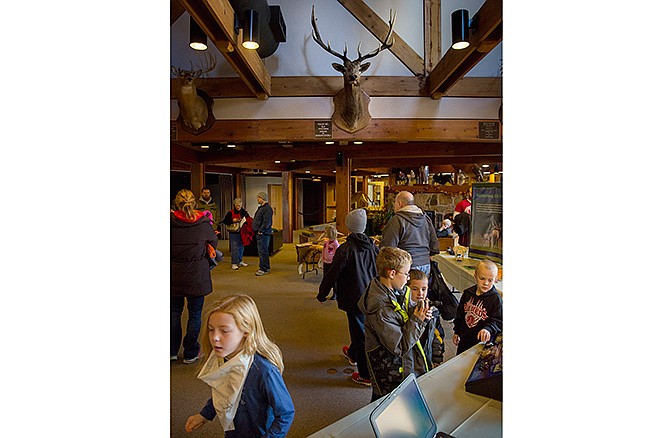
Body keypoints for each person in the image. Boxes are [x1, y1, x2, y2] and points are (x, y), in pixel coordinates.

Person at [185, 294, 295, 437]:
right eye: (211, 329)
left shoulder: (264, 371)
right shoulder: (224, 357)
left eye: (224, 331)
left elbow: (286, 413)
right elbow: (225, 391)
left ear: (246, 331)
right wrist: (205, 415)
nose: (214, 337)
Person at [358, 246, 433, 401]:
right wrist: (417, 320)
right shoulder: (380, 308)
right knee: (387, 403)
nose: (407, 278)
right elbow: (400, 346)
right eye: (405, 274)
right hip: (389, 372)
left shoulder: (389, 290)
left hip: (394, 367)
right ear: (392, 273)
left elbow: (401, 313)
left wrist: (420, 314)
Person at [317, 209, 378, 386]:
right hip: (371, 295)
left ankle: (366, 375)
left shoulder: (345, 249)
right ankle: (352, 353)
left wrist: (322, 293)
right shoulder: (373, 246)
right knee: (360, 328)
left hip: (353, 298)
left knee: (360, 333)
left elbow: (332, 273)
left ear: (349, 227)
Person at [171, 189, 218, 364]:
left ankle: (171, 350)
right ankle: (190, 352)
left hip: (173, 274)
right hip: (196, 276)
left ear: (176, 204)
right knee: (195, 314)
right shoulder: (203, 223)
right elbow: (213, 242)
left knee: (174, 313)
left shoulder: (169, 222)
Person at [380, 191, 440, 276]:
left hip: (406, 266)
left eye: (395, 203)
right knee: (421, 289)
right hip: (426, 264)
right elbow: (435, 245)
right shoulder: (426, 218)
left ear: (400, 203)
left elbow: (389, 247)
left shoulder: (397, 220)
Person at [452, 259, 502, 355]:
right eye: (482, 278)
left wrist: (488, 329)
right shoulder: (468, 293)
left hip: (483, 342)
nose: (486, 283)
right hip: (465, 339)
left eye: (490, 280)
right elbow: (460, 314)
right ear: (475, 276)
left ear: (496, 280)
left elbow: (498, 320)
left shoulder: (495, 299)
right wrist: (457, 331)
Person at [406, 269, 444, 369]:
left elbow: (437, 336)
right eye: (414, 289)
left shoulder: (432, 311)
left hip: (426, 357)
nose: (420, 293)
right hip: (409, 360)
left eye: (424, 289)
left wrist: (437, 358)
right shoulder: (403, 311)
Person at [222, 198, 252, 271]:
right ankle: (234, 263)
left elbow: (249, 219)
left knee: (241, 247)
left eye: (239, 205)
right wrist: (232, 220)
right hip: (233, 233)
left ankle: (240, 261)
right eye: (236, 205)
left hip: (242, 232)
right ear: (234, 205)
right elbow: (225, 221)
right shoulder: (230, 212)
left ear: (241, 205)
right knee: (234, 248)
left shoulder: (244, 212)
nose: (238, 207)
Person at [252, 191, 273, 276]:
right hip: (260, 233)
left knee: (262, 251)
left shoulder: (267, 209)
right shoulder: (261, 208)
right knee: (263, 251)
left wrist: (261, 230)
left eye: (258, 197)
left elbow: (267, 222)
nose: (257, 199)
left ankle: (263, 268)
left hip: (263, 234)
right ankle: (266, 266)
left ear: (262, 198)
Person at [319, 224, 340, 300]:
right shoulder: (326, 242)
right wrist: (322, 259)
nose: (324, 234)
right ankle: (323, 293)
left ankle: (335, 293)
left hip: (332, 263)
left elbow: (338, 253)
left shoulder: (335, 243)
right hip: (326, 262)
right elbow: (323, 251)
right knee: (326, 278)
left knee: (333, 280)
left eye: (326, 233)